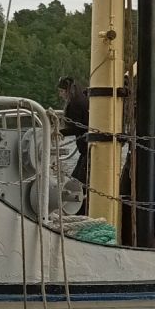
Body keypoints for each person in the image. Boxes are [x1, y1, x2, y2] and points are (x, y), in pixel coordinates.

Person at [57, 76, 90, 212]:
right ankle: (79, 209)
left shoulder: (75, 104)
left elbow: (78, 127)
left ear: (66, 90)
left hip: (87, 149)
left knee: (78, 182)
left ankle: (80, 210)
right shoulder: (81, 99)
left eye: (61, 91)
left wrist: (60, 133)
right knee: (77, 180)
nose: (60, 94)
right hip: (86, 148)